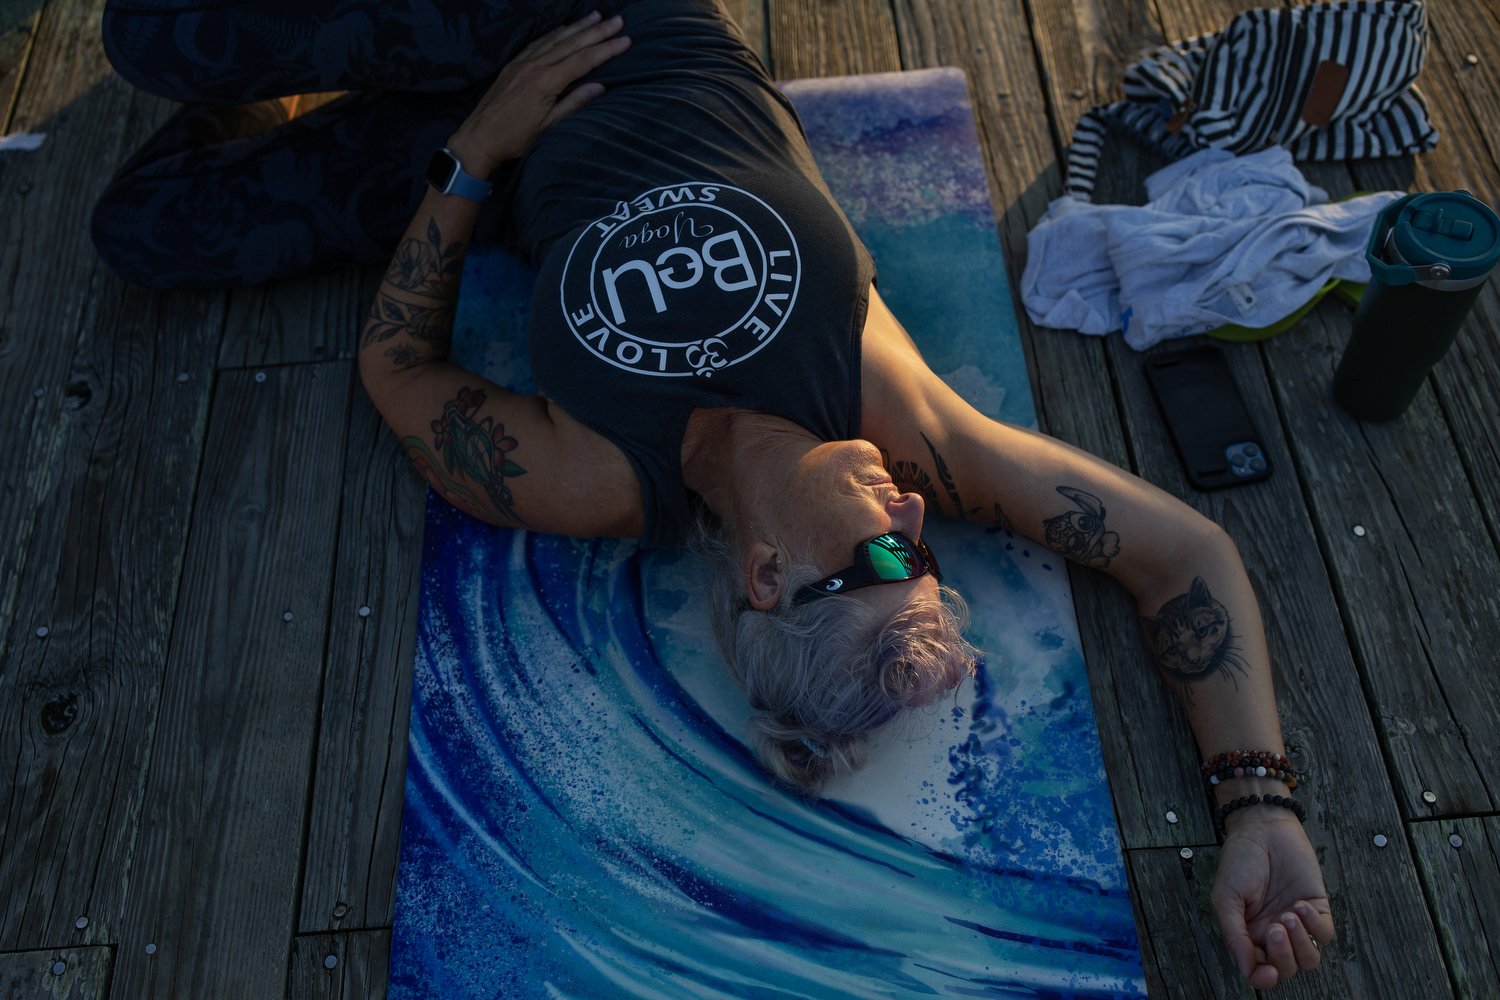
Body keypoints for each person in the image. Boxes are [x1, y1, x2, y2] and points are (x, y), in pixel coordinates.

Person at [93, 0, 1333, 987]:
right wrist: (1258, 803)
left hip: (502, 138)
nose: (915, 521)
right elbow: (1184, 558)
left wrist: (472, 152)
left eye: (891, 564)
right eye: (929, 558)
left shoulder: (593, 478)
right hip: (606, 18)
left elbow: (394, 366)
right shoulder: (894, 417)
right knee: (148, 35)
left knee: (140, 228)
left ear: (768, 577)